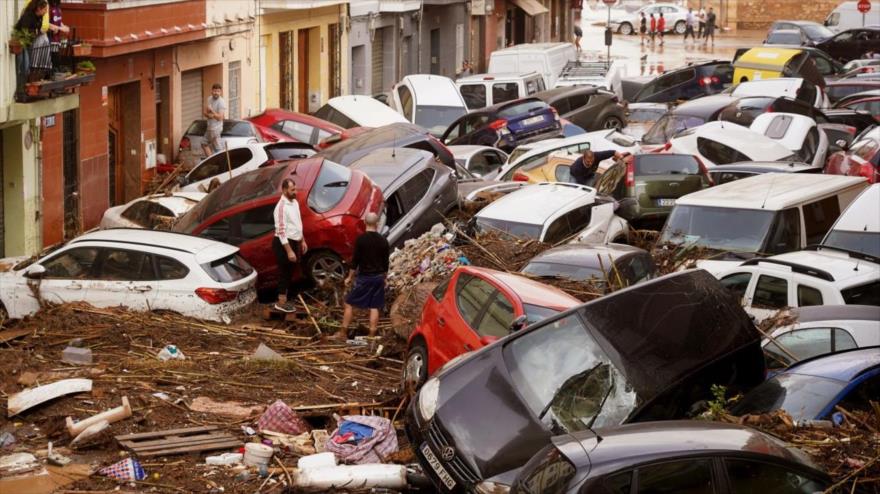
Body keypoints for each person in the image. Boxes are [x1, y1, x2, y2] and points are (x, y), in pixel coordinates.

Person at [338, 213, 390, 339]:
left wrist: (349, 277)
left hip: (364, 279)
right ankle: (371, 335)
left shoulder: (361, 240)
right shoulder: (383, 241)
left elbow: (355, 261)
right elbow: (385, 262)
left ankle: (343, 333)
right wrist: (385, 278)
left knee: (349, 303)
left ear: (365, 223)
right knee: (374, 306)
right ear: (377, 224)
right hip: (378, 279)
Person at [272, 179, 308, 313]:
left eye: (295, 189)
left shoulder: (295, 202)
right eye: (292, 190)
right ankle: (280, 303)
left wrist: (302, 240)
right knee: (284, 272)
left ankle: (287, 298)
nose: (295, 192)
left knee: (292, 271)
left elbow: (298, 223)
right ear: (284, 190)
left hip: (294, 241)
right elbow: (281, 231)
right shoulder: (281, 207)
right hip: (284, 244)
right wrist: (289, 251)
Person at [203, 83, 226, 156]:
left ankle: (217, 163)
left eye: (218, 91)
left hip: (216, 128)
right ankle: (212, 162)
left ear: (221, 92)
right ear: (212, 91)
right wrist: (208, 115)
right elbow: (205, 112)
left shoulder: (221, 102)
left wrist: (212, 112)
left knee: (216, 148)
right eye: (215, 91)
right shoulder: (209, 99)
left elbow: (220, 118)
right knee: (205, 144)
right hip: (209, 127)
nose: (216, 93)